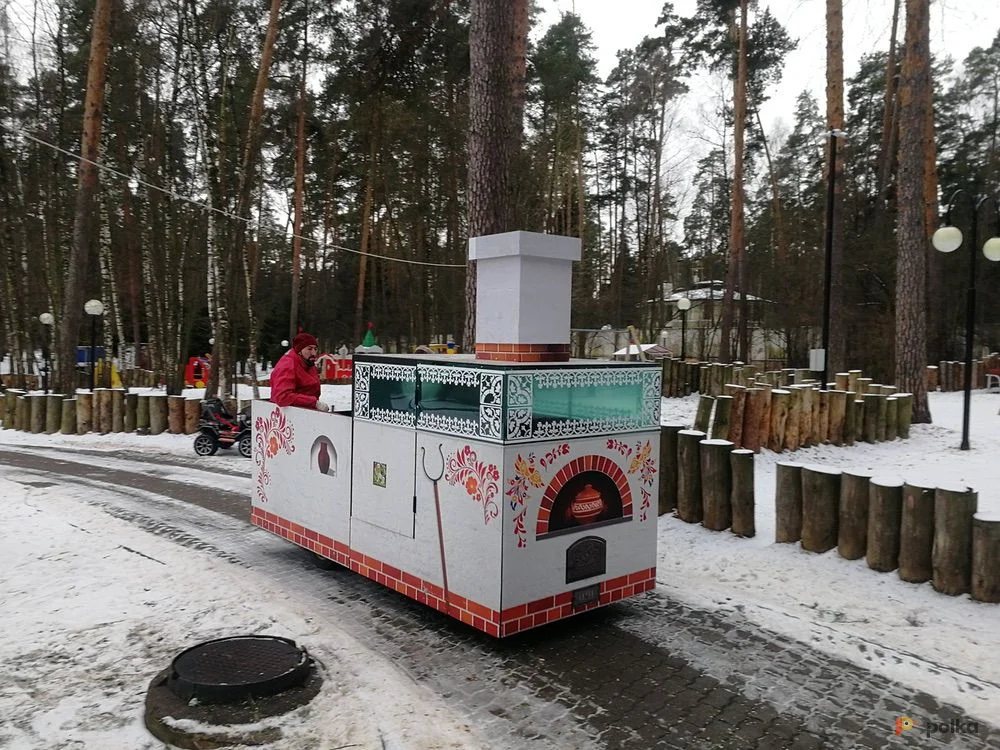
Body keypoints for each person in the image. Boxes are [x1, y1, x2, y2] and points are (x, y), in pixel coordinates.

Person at [269, 332, 330, 411]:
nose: (314, 353)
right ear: (299, 351)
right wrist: (313, 403)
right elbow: (283, 397)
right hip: (289, 415)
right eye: (309, 349)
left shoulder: (308, 363)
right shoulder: (288, 365)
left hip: (305, 413)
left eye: (315, 349)